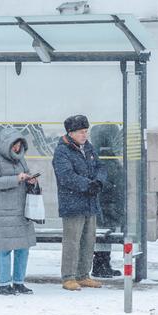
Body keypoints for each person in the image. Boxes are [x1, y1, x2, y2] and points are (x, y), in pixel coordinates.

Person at [0, 128, 40, 296]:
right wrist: (17, 179)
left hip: (21, 209)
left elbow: (24, 175)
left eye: (20, 144)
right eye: (15, 144)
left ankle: (19, 282)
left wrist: (31, 180)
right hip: (2, 210)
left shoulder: (20, 158)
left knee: (23, 247)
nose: (17, 148)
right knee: (4, 248)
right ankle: (4, 284)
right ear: (7, 144)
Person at [52, 114, 105, 290]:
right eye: (81, 132)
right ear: (71, 133)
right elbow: (66, 176)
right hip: (72, 203)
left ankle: (83, 274)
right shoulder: (62, 151)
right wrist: (87, 185)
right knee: (72, 241)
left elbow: (100, 167)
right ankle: (68, 276)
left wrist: (99, 181)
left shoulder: (88, 148)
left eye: (86, 131)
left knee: (89, 240)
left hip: (90, 202)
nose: (85, 135)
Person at [89, 123, 124, 279]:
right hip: (107, 204)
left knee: (105, 235)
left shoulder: (99, 156)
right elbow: (110, 180)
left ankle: (103, 264)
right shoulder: (105, 158)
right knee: (104, 234)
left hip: (107, 203)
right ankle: (100, 265)